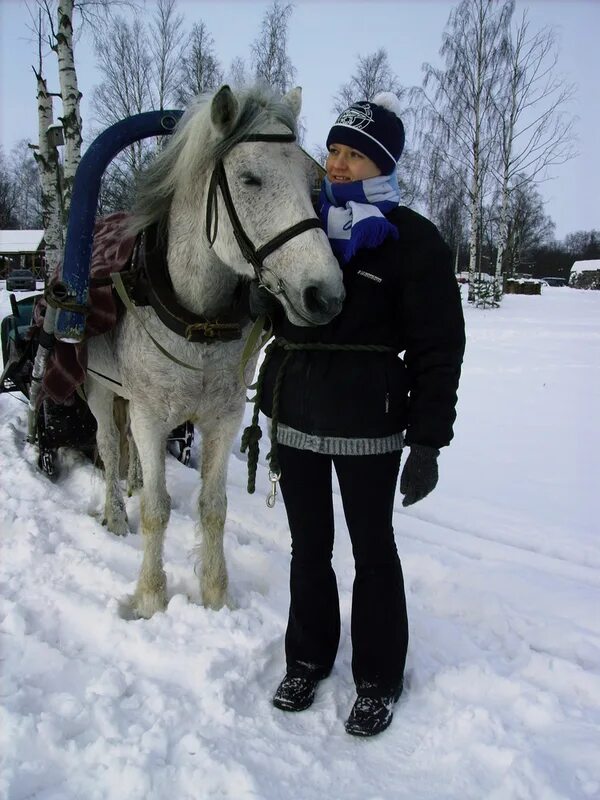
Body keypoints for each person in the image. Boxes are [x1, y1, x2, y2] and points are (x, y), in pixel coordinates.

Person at [249, 93, 465, 737]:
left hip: (371, 419)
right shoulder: (298, 224)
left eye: (355, 154)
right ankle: (308, 657)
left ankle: (377, 677)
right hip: (296, 411)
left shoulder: (413, 240)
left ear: (383, 164)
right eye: (334, 150)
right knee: (308, 549)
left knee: (373, 552)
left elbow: (438, 345)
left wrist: (427, 441)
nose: (337, 165)